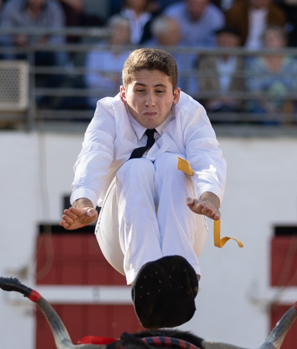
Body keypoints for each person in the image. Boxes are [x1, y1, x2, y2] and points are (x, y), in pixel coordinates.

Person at [62, 48, 227, 328]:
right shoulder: (109, 112)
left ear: (175, 95)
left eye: (160, 91)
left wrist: (209, 197)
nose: (150, 101)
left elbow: (207, 157)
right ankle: (144, 278)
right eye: (140, 91)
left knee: (171, 164)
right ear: (123, 93)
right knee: (134, 167)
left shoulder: (191, 112)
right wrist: (83, 203)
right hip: (120, 239)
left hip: (185, 232)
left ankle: (181, 275)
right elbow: (92, 157)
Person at [245, 25, 297, 123]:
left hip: (291, 105)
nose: (269, 42)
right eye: (266, 39)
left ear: (283, 42)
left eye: (273, 38)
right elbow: (255, 92)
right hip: (262, 107)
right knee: (269, 119)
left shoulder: (295, 63)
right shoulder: (255, 64)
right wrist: (270, 108)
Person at [195, 26, 246, 115]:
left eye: (229, 37)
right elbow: (202, 85)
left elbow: (244, 87)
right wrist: (215, 99)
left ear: (237, 41)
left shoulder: (243, 62)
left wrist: (233, 100)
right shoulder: (206, 62)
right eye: (221, 37)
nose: (225, 41)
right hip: (212, 104)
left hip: (235, 104)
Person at [86, 16, 134, 103]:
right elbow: (91, 79)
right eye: (117, 29)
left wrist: (106, 76)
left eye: (124, 30)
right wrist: (113, 81)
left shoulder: (132, 53)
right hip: (98, 102)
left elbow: (133, 82)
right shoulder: (96, 50)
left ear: (129, 34)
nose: (120, 33)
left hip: (124, 104)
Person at [152, 15, 198, 94]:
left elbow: (190, 82)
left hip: (181, 96)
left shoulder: (185, 51)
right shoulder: (148, 53)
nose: (180, 35)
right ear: (162, 36)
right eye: (175, 32)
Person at [162, 0, 226, 46]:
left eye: (199, 5)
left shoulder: (216, 16)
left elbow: (215, 42)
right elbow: (164, 39)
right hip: (176, 53)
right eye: (192, 5)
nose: (195, 9)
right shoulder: (172, 13)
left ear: (207, 4)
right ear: (185, 2)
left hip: (205, 55)